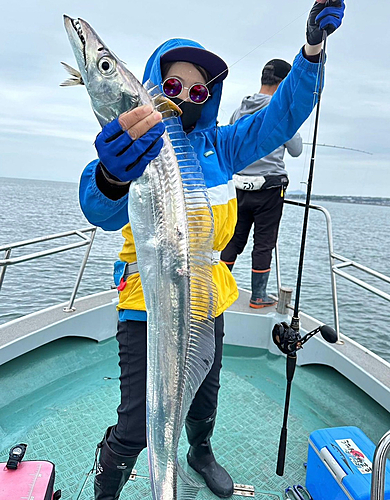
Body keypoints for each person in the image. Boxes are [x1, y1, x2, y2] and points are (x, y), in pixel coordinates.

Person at [78, 2, 345, 498]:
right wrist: (113, 175)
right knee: (138, 423)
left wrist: (311, 51)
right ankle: (109, 477)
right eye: (173, 86)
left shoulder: (221, 147)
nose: (185, 97)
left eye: (198, 89)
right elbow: (99, 208)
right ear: (153, 87)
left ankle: (199, 452)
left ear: (211, 95)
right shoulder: (135, 145)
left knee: (203, 397)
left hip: (208, 295)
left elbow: (282, 114)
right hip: (146, 300)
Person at [220, 59, 303, 309]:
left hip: (238, 187)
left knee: (232, 240)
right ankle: (258, 296)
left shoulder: (239, 110)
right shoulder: (281, 111)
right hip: (269, 188)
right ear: (286, 83)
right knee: (264, 242)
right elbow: (297, 150)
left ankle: (218, 289)